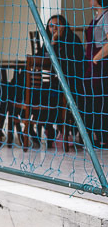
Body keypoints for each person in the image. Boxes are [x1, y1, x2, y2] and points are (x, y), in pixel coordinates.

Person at [43, 14, 85, 150]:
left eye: (57, 25)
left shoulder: (73, 40)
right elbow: (42, 57)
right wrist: (53, 43)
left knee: (57, 96)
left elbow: (71, 64)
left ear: (64, 27)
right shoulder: (49, 40)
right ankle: (50, 129)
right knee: (41, 93)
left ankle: (63, 131)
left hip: (71, 82)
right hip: (53, 83)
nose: (54, 29)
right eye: (51, 26)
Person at [84, 0, 108, 143]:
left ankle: (103, 137)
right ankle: (95, 135)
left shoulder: (106, 16)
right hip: (92, 62)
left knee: (101, 100)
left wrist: (96, 58)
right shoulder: (97, 16)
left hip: (101, 62)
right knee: (92, 98)